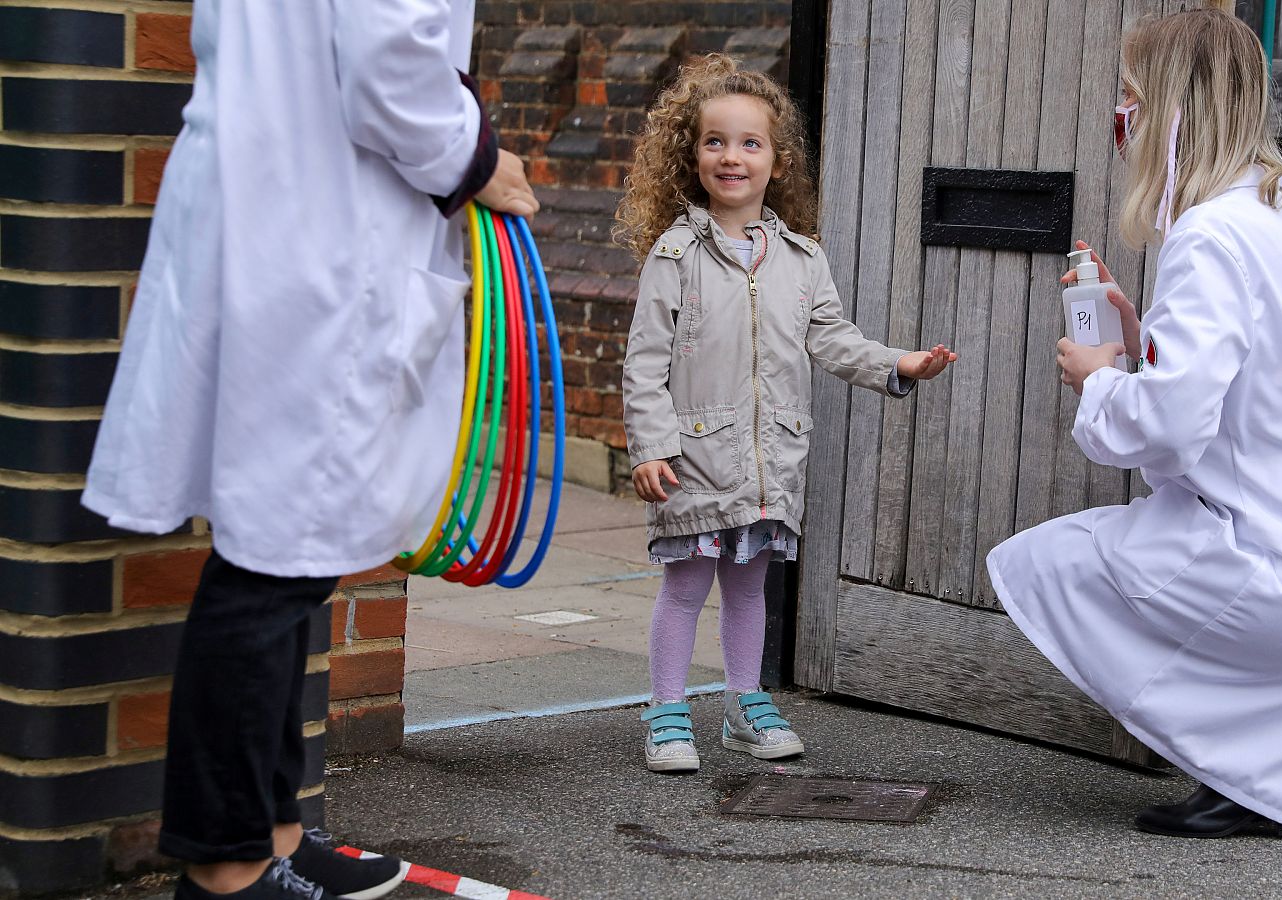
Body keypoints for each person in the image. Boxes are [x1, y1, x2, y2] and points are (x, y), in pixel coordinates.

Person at [82, 2, 538, 897]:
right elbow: (388, 60)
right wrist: (476, 159)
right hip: (320, 235)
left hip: (278, 211)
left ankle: (276, 836)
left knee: (290, 552)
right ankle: (226, 870)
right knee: (273, 564)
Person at [986, 2, 1282, 839]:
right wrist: (1142, 334)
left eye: (1131, 98)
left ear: (1169, 110)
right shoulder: (1275, 219)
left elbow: (1174, 427)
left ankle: (1258, 775)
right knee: (1142, 552)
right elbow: (1255, 383)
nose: (1122, 118)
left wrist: (1103, 377)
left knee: (1055, 566)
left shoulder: (1208, 235)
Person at [614, 54, 956, 774]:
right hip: (694, 460)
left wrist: (898, 364)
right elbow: (645, 362)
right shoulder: (673, 256)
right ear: (691, 154)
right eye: (715, 141)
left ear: (777, 159)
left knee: (748, 586)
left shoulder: (802, 259)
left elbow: (831, 339)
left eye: (749, 143)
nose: (731, 156)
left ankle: (745, 703)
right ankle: (668, 711)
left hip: (772, 460)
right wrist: (650, 446)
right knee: (684, 588)